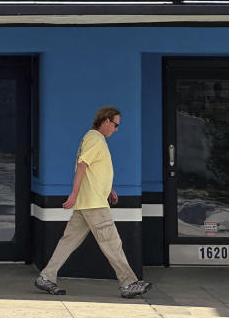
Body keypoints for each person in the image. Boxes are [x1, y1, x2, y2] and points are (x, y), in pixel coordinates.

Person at [35, 106, 151, 299]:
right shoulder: (96, 140)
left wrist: (108, 189)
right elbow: (82, 165)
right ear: (106, 121)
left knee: (68, 242)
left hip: (87, 203)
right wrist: (73, 194)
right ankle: (129, 283)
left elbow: (93, 170)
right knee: (112, 243)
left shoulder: (92, 138)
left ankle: (46, 277)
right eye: (115, 125)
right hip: (94, 205)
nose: (116, 129)